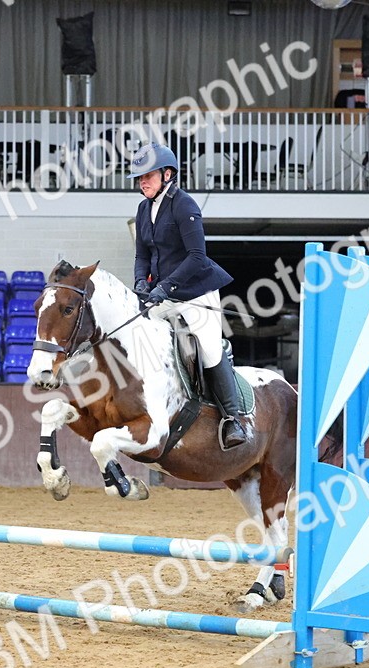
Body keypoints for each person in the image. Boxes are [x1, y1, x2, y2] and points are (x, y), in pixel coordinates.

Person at [127, 142, 247, 449]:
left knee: (208, 348)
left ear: (167, 174)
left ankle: (233, 419)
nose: (143, 182)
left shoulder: (185, 205)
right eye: (140, 178)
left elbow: (197, 257)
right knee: (138, 335)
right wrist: (141, 282)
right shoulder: (143, 210)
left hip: (196, 291)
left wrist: (165, 287)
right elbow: (142, 255)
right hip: (162, 293)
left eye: (148, 176)